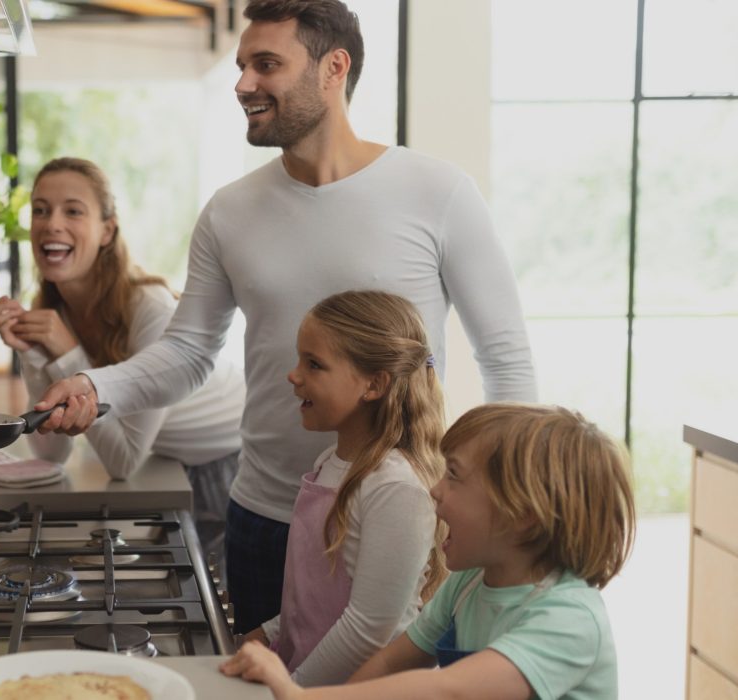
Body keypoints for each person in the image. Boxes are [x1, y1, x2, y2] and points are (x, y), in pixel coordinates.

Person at [28, 0, 538, 634]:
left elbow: (505, 358)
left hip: (400, 517)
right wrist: (95, 387)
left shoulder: (438, 191)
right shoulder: (230, 211)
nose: (244, 83)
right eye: (243, 65)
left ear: (334, 67)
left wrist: (499, 495)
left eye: (266, 64)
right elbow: (188, 352)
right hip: (265, 515)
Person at [220, 403, 636, 700]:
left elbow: (449, 689)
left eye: (453, 477)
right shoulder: (468, 585)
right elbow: (387, 665)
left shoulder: (569, 621)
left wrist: (299, 695)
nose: (435, 490)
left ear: (522, 515)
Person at [0, 157, 247, 567]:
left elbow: (123, 462)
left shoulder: (149, 308)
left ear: (107, 230)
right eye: (40, 210)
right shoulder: (56, 311)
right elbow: (50, 453)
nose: (51, 223)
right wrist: (32, 350)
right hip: (166, 461)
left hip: (226, 466)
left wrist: (69, 354)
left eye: (73, 210)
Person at [243, 290, 445, 686]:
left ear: (374, 385)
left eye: (314, 364)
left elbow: (369, 627)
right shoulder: (329, 463)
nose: (293, 374)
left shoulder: (395, 487)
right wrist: (270, 633)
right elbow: (315, 594)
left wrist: (295, 690)